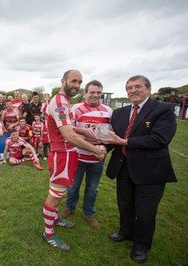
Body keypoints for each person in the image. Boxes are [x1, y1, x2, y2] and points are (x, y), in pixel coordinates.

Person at [103, 75, 177, 264]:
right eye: (129, 88)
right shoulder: (120, 113)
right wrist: (102, 149)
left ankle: (141, 245)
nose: (133, 90)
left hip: (151, 170)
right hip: (124, 166)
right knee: (125, 204)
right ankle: (125, 232)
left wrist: (124, 142)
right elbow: (114, 138)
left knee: (145, 211)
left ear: (149, 89)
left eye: (138, 87)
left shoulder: (164, 109)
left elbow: (159, 139)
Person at [42, 70, 106, 251]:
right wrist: (96, 150)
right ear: (63, 81)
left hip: (67, 154)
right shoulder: (60, 102)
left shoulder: (65, 101)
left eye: (80, 82)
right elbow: (69, 136)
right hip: (62, 155)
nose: (77, 85)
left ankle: (55, 219)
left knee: (59, 193)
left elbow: (68, 127)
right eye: (73, 81)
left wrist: (85, 131)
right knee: (54, 196)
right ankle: (48, 234)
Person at [60, 80, 112, 229]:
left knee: (92, 188)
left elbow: (110, 135)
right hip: (78, 155)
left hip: (97, 159)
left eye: (98, 92)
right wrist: (89, 140)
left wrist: (103, 149)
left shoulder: (108, 111)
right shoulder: (76, 108)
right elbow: (70, 131)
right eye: (92, 92)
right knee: (73, 186)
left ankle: (89, 213)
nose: (95, 95)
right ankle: (70, 207)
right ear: (85, 93)